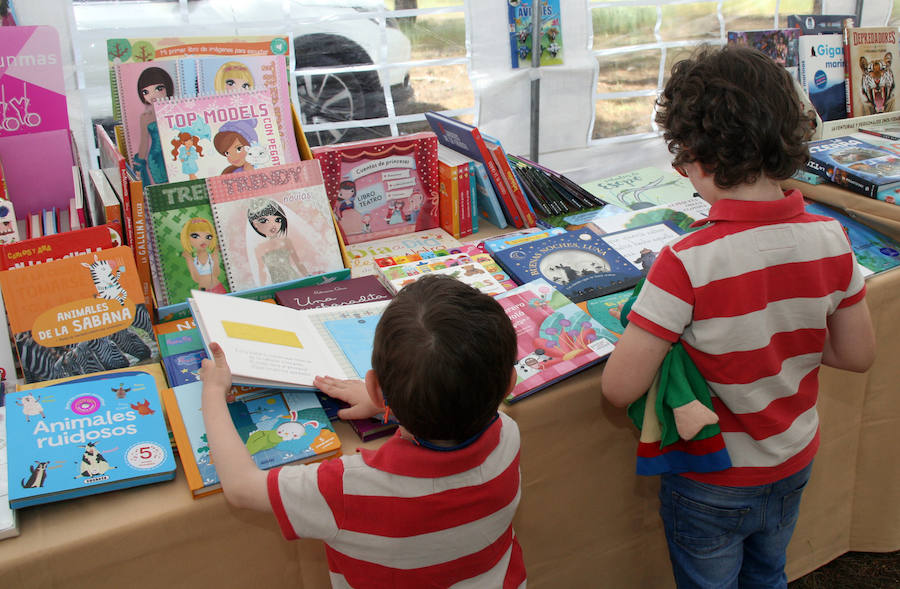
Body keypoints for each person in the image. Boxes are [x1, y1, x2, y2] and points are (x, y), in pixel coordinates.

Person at [600, 45, 876, 589]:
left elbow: (618, 387)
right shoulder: (832, 239)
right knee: (769, 573)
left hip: (713, 476)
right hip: (794, 459)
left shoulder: (685, 262)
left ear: (697, 159)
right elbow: (857, 354)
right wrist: (776, 330)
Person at [199, 274, 526, 587]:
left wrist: (214, 392)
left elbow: (241, 487)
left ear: (373, 387)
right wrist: (390, 405)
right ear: (509, 384)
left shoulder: (345, 489)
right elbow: (453, 432)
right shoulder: (509, 435)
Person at [246, 197, 307, 285]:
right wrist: (262, 289)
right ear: (256, 225)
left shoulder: (286, 241)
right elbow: (262, 273)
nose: (273, 225)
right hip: (277, 283)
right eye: (264, 221)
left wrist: (308, 276)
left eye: (277, 220)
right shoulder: (259, 249)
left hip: (293, 278)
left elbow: (298, 263)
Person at [134, 66, 173, 185]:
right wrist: (139, 164)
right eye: (146, 92)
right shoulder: (146, 117)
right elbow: (144, 142)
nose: (153, 95)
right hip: (155, 157)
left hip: (174, 153)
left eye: (158, 89)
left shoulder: (175, 110)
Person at [179, 217, 225, 293]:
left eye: (208, 237)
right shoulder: (192, 258)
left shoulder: (212, 255)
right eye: (195, 236)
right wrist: (189, 259)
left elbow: (216, 273)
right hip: (204, 291)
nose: (203, 240)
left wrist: (216, 254)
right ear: (187, 237)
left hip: (218, 288)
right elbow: (196, 278)